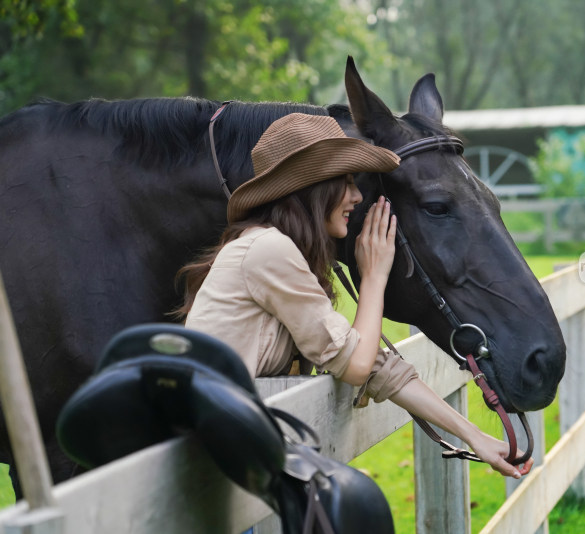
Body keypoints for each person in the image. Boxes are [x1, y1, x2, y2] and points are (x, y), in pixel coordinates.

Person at [176, 113, 532, 479]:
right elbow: (357, 365)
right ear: (312, 187)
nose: (357, 196)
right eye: (344, 181)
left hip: (224, 459)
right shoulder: (268, 250)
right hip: (211, 466)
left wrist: (476, 437)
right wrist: (373, 277)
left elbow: (373, 366)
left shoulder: (277, 252)